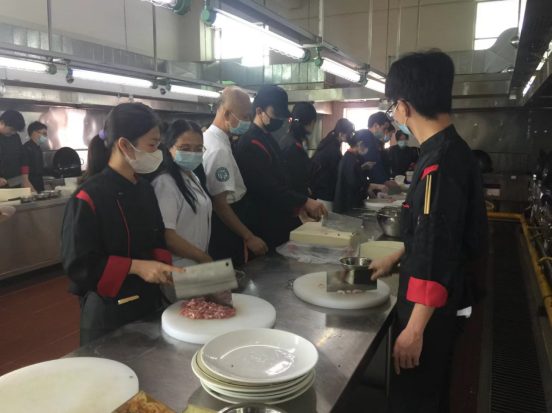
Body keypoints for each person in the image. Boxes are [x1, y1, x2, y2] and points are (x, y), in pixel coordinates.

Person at [369, 51, 488, 413]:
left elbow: (438, 252)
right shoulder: (451, 151)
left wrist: (415, 330)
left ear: (403, 107)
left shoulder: (439, 165)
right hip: (443, 303)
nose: (395, 115)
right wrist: (397, 256)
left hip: (433, 314)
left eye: (393, 107)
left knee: (415, 400)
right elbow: (435, 232)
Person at [61, 103, 183, 346]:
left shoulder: (145, 188)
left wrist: (162, 266)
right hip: (108, 311)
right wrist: (136, 267)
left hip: (148, 300)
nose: (158, 152)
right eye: (152, 145)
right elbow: (78, 265)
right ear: (125, 145)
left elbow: (156, 237)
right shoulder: (88, 196)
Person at [235, 84, 328, 250]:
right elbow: (268, 187)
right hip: (261, 225)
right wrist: (304, 201)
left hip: (278, 220)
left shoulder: (269, 139)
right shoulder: (250, 143)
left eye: (281, 115)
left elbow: (284, 178)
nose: (278, 119)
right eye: (275, 114)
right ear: (259, 111)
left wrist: (300, 208)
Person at [203, 86, 268, 267]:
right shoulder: (219, 149)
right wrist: (249, 236)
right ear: (226, 114)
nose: (248, 121)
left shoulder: (210, 139)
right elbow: (220, 203)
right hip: (226, 227)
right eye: (245, 116)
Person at [152, 120, 212, 269]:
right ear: (169, 148)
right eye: (185, 148)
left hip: (196, 264)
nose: (193, 153)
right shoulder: (165, 183)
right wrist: (202, 257)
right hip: (178, 266)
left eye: (198, 149)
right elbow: (168, 237)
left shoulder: (192, 177)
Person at [311, 118, 355, 212]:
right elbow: (339, 173)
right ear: (341, 134)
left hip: (321, 193)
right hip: (326, 196)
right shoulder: (333, 151)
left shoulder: (328, 142)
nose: (350, 137)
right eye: (349, 134)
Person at [279, 102, 319, 197]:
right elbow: (296, 184)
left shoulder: (286, 139)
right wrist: (308, 192)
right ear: (312, 122)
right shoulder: (295, 147)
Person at [333, 130, 373, 214]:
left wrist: (361, 168)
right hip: (347, 208)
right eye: (367, 147)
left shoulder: (350, 157)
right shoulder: (350, 159)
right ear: (360, 144)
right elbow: (355, 183)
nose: (367, 150)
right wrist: (370, 186)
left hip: (347, 206)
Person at [0, 110, 33, 190]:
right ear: (2, 123)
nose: (13, 132)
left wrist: (25, 179)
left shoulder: (15, 137)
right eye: (11, 129)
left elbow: (22, 158)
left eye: (16, 130)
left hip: (14, 183)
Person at [359, 112, 394, 185]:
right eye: (384, 129)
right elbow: (373, 166)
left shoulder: (372, 139)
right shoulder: (367, 139)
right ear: (376, 126)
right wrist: (384, 182)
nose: (385, 133)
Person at [24, 121, 48, 193]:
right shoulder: (27, 148)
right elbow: (24, 170)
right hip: (31, 183)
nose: (46, 137)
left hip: (39, 182)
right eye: (44, 134)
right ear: (35, 133)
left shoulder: (38, 148)